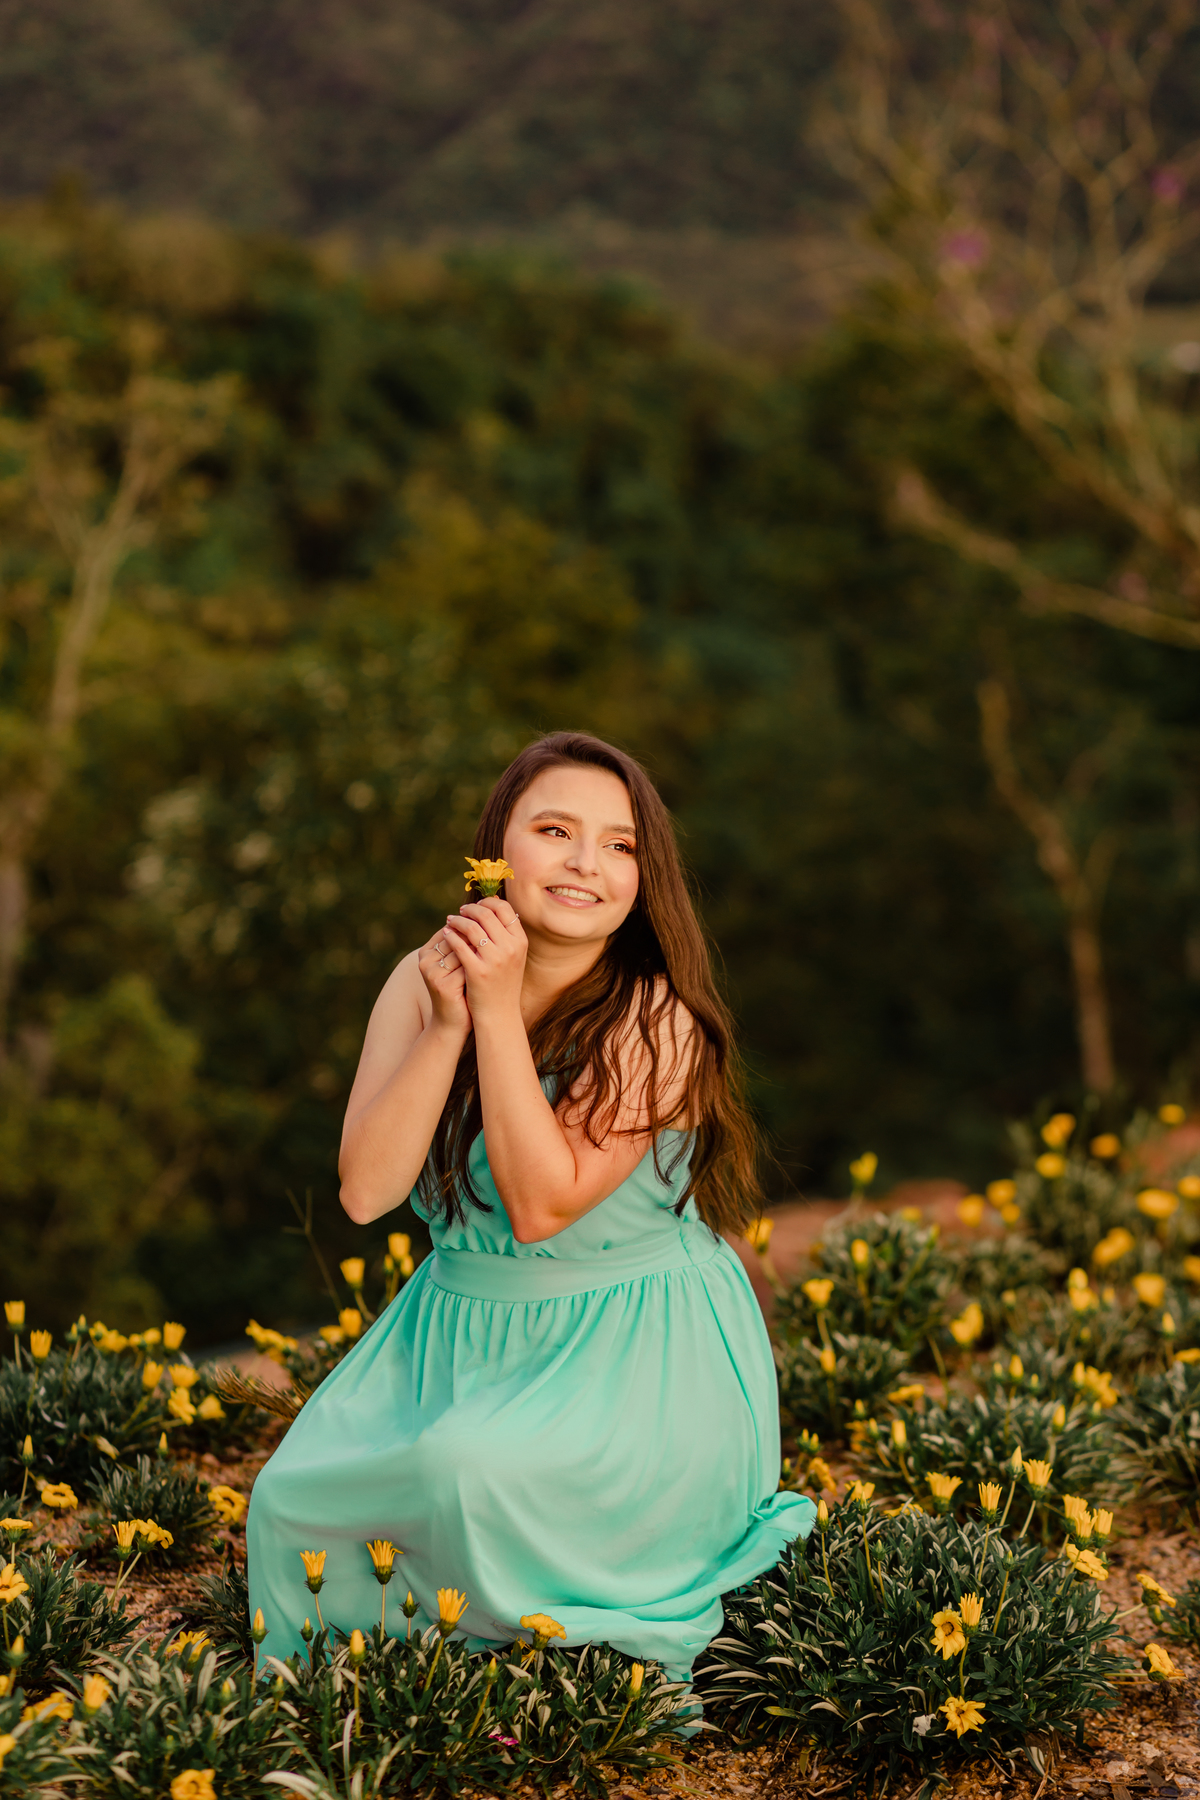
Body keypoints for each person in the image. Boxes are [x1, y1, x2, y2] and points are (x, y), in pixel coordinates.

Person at [246, 730, 814, 1690]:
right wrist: (449, 1022)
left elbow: (543, 1205)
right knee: (289, 1499)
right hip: (455, 1334)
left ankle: (512, 1678)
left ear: (644, 878)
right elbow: (366, 1192)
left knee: (464, 1474)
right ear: (496, 850)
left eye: (620, 845)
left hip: (631, 1347)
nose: (587, 862)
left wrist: (499, 1012)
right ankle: (388, 1684)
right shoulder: (423, 976)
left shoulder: (656, 1019)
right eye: (555, 831)